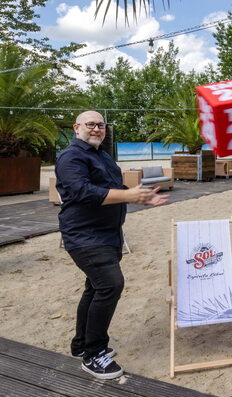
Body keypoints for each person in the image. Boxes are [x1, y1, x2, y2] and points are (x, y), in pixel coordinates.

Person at [55, 110, 169, 379]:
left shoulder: (101, 154)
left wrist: (136, 195)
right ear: (76, 128)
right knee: (110, 285)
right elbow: (83, 192)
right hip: (84, 236)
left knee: (94, 287)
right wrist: (128, 195)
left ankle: (81, 344)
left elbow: (111, 187)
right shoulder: (71, 156)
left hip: (108, 234)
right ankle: (94, 354)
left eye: (100, 125)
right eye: (90, 124)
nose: (96, 129)